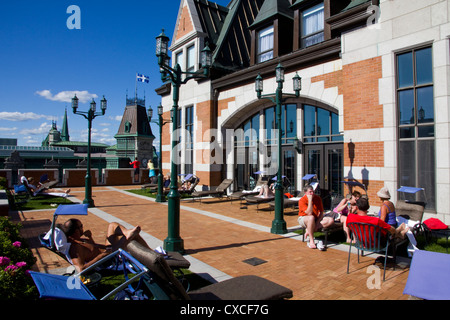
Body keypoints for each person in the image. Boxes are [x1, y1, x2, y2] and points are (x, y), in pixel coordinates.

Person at [61, 218, 150, 273]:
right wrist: (102, 255)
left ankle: (127, 233)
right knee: (134, 236)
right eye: (81, 226)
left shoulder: (81, 240)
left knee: (112, 225)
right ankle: (151, 252)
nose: (82, 228)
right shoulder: (75, 249)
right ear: (76, 231)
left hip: (108, 251)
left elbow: (93, 249)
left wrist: (90, 238)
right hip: (109, 259)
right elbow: (81, 269)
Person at [298, 184, 333, 249]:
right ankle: (311, 240)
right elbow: (309, 213)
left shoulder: (318, 198)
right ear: (305, 192)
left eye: (313, 191)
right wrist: (310, 200)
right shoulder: (302, 200)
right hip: (304, 218)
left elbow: (321, 213)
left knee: (330, 220)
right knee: (311, 217)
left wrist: (317, 224)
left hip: (315, 219)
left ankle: (309, 230)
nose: (312, 193)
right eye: (310, 192)